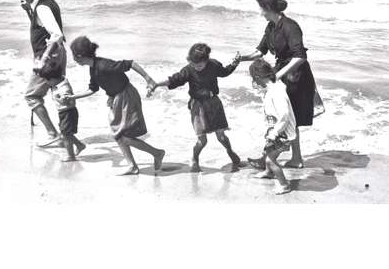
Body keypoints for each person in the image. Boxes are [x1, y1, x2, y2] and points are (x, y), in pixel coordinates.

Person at [64, 36, 165, 175]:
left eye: (74, 56)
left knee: (122, 136)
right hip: (117, 98)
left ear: (79, 56)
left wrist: (149, 79)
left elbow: (131, 63)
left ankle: (157, 153)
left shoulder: (104, 65)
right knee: (118, 135)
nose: (73, 59)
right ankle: (132, 166)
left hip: (127, 96)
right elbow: (93, 89)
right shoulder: (93, 68)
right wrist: (73, 97)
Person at [239, 0, 316, 169]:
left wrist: (277, 75)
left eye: (261, 9)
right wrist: (241, 58)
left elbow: (300, 57)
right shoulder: (271, 27)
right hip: (281, 74)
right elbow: (260, 51)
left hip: (296, 77)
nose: (260, 13)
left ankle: (274, 158)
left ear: (268, 8)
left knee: (287, 117)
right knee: (283, 118)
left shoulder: (290, 26)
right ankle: (288, 158)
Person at [149, 43, 242, 173]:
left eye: (199, 65)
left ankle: (231, 152)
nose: (196, 67)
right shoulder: (188, 69)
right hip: (198, 106)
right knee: (202, 140)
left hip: (214, 103)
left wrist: (235, 63)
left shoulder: (214, 65)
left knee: (221, 136)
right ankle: (195, 159)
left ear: (206, 60)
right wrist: (157, 84)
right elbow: (175, 80)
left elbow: (225, 72)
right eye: (193, 64)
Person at [8, 0, 65, 145]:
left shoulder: (41, 8)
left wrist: (44, 58)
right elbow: (42, 26)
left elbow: (56, 35)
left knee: (31, 96)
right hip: (57, 53)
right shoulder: (45, 2)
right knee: (59, 93)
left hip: (48, 55)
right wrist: (29, 10)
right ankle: (68, 136)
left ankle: (53, 133)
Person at [249, 59, 296, 195]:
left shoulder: (277, 92)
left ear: (258, 77)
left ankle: (284, 184)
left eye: (253, 78)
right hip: (276, 130)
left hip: (282, 133)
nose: (254, 82)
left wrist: (274, 133)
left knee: (270, 159)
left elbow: (284, 114)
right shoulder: (273, 87)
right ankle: (268, 173)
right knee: (267, 151)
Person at [38, 42, 86, 162]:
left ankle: (71, 155)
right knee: (66, 133)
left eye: (47, 81)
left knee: (66, 134)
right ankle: (80, 145)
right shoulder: (59, 81)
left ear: (53, 79)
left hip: (68, 112)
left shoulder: (64, 88)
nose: (47, 84)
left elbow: (68, 99)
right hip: (64, 113)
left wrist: (63, 98)